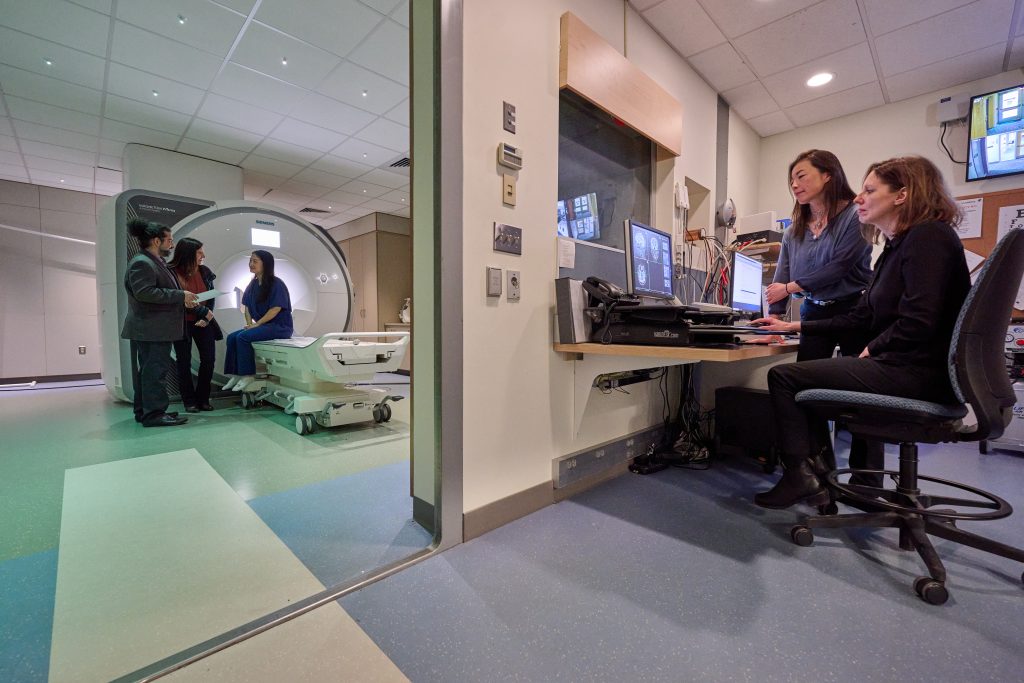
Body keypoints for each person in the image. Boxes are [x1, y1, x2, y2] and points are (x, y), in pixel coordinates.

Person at [751, 156, 970, 509]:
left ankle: (804, 478)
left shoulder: (928, 237)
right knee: (803, 380)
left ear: (902, 194)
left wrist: (874, 348)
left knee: (785, 378)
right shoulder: (900, 246)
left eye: (869, 190)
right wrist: (795, 325)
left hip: (916, 372)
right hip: (910, 365)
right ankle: (821, 475)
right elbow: (862, 317)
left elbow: (920, 321)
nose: (858, 198)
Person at [764, 149, 880, 483]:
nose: (794, 184)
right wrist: (773, 320)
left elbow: (839, 267)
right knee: (804, 390)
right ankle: (816, 471)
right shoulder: (793, 232)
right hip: (815, 310)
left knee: (864, 395)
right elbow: (780, 280)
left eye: (801, 175)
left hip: (856, 309)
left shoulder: (855, 216)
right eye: (791, 179)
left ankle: (868, 480)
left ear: (827, 175)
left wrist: (790, 287)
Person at [120, 218, 198, 427]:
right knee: (154, 372)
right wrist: (180, 295)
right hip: (152, 328)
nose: (172, 245)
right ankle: (154, 414)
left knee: (149, 372)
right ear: (156, 241)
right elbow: (145, 293)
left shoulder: (152, 262)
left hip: (153, 328)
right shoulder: (142, 263)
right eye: (169, 240)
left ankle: (145, 411)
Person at [222, 250, 294, 391]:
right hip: (264, 326)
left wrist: (257, 324)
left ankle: (248, 375)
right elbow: (247, 307)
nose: (251, 264)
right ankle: (236, 374)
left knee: (243, 337)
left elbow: (276, 308)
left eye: (255, 261)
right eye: (250, 261)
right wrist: (250, 324)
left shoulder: (277, 284)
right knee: (231, 337)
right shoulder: (252, 284)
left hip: (280, 327)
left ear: (265, 264)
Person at [168, 237, 222, 413]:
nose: (203, 255)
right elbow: (176, 301)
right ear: (188, 253)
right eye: (199, 252)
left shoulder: (205, 271)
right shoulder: (171, 273)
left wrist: (207, 317)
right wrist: (202, 312)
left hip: (203, 322)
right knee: (183, 362)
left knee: (209, 360)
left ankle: (203, 399)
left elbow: (210, 298)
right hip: (181, 323)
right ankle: (189, 401)